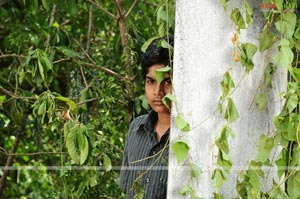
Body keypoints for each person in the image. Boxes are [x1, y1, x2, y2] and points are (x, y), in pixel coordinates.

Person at [119, 36, 174, 199]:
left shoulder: (188, 136)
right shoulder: (136, 128)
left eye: (167, 82)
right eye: (151, 81)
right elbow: (126, 188)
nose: (158, 92)